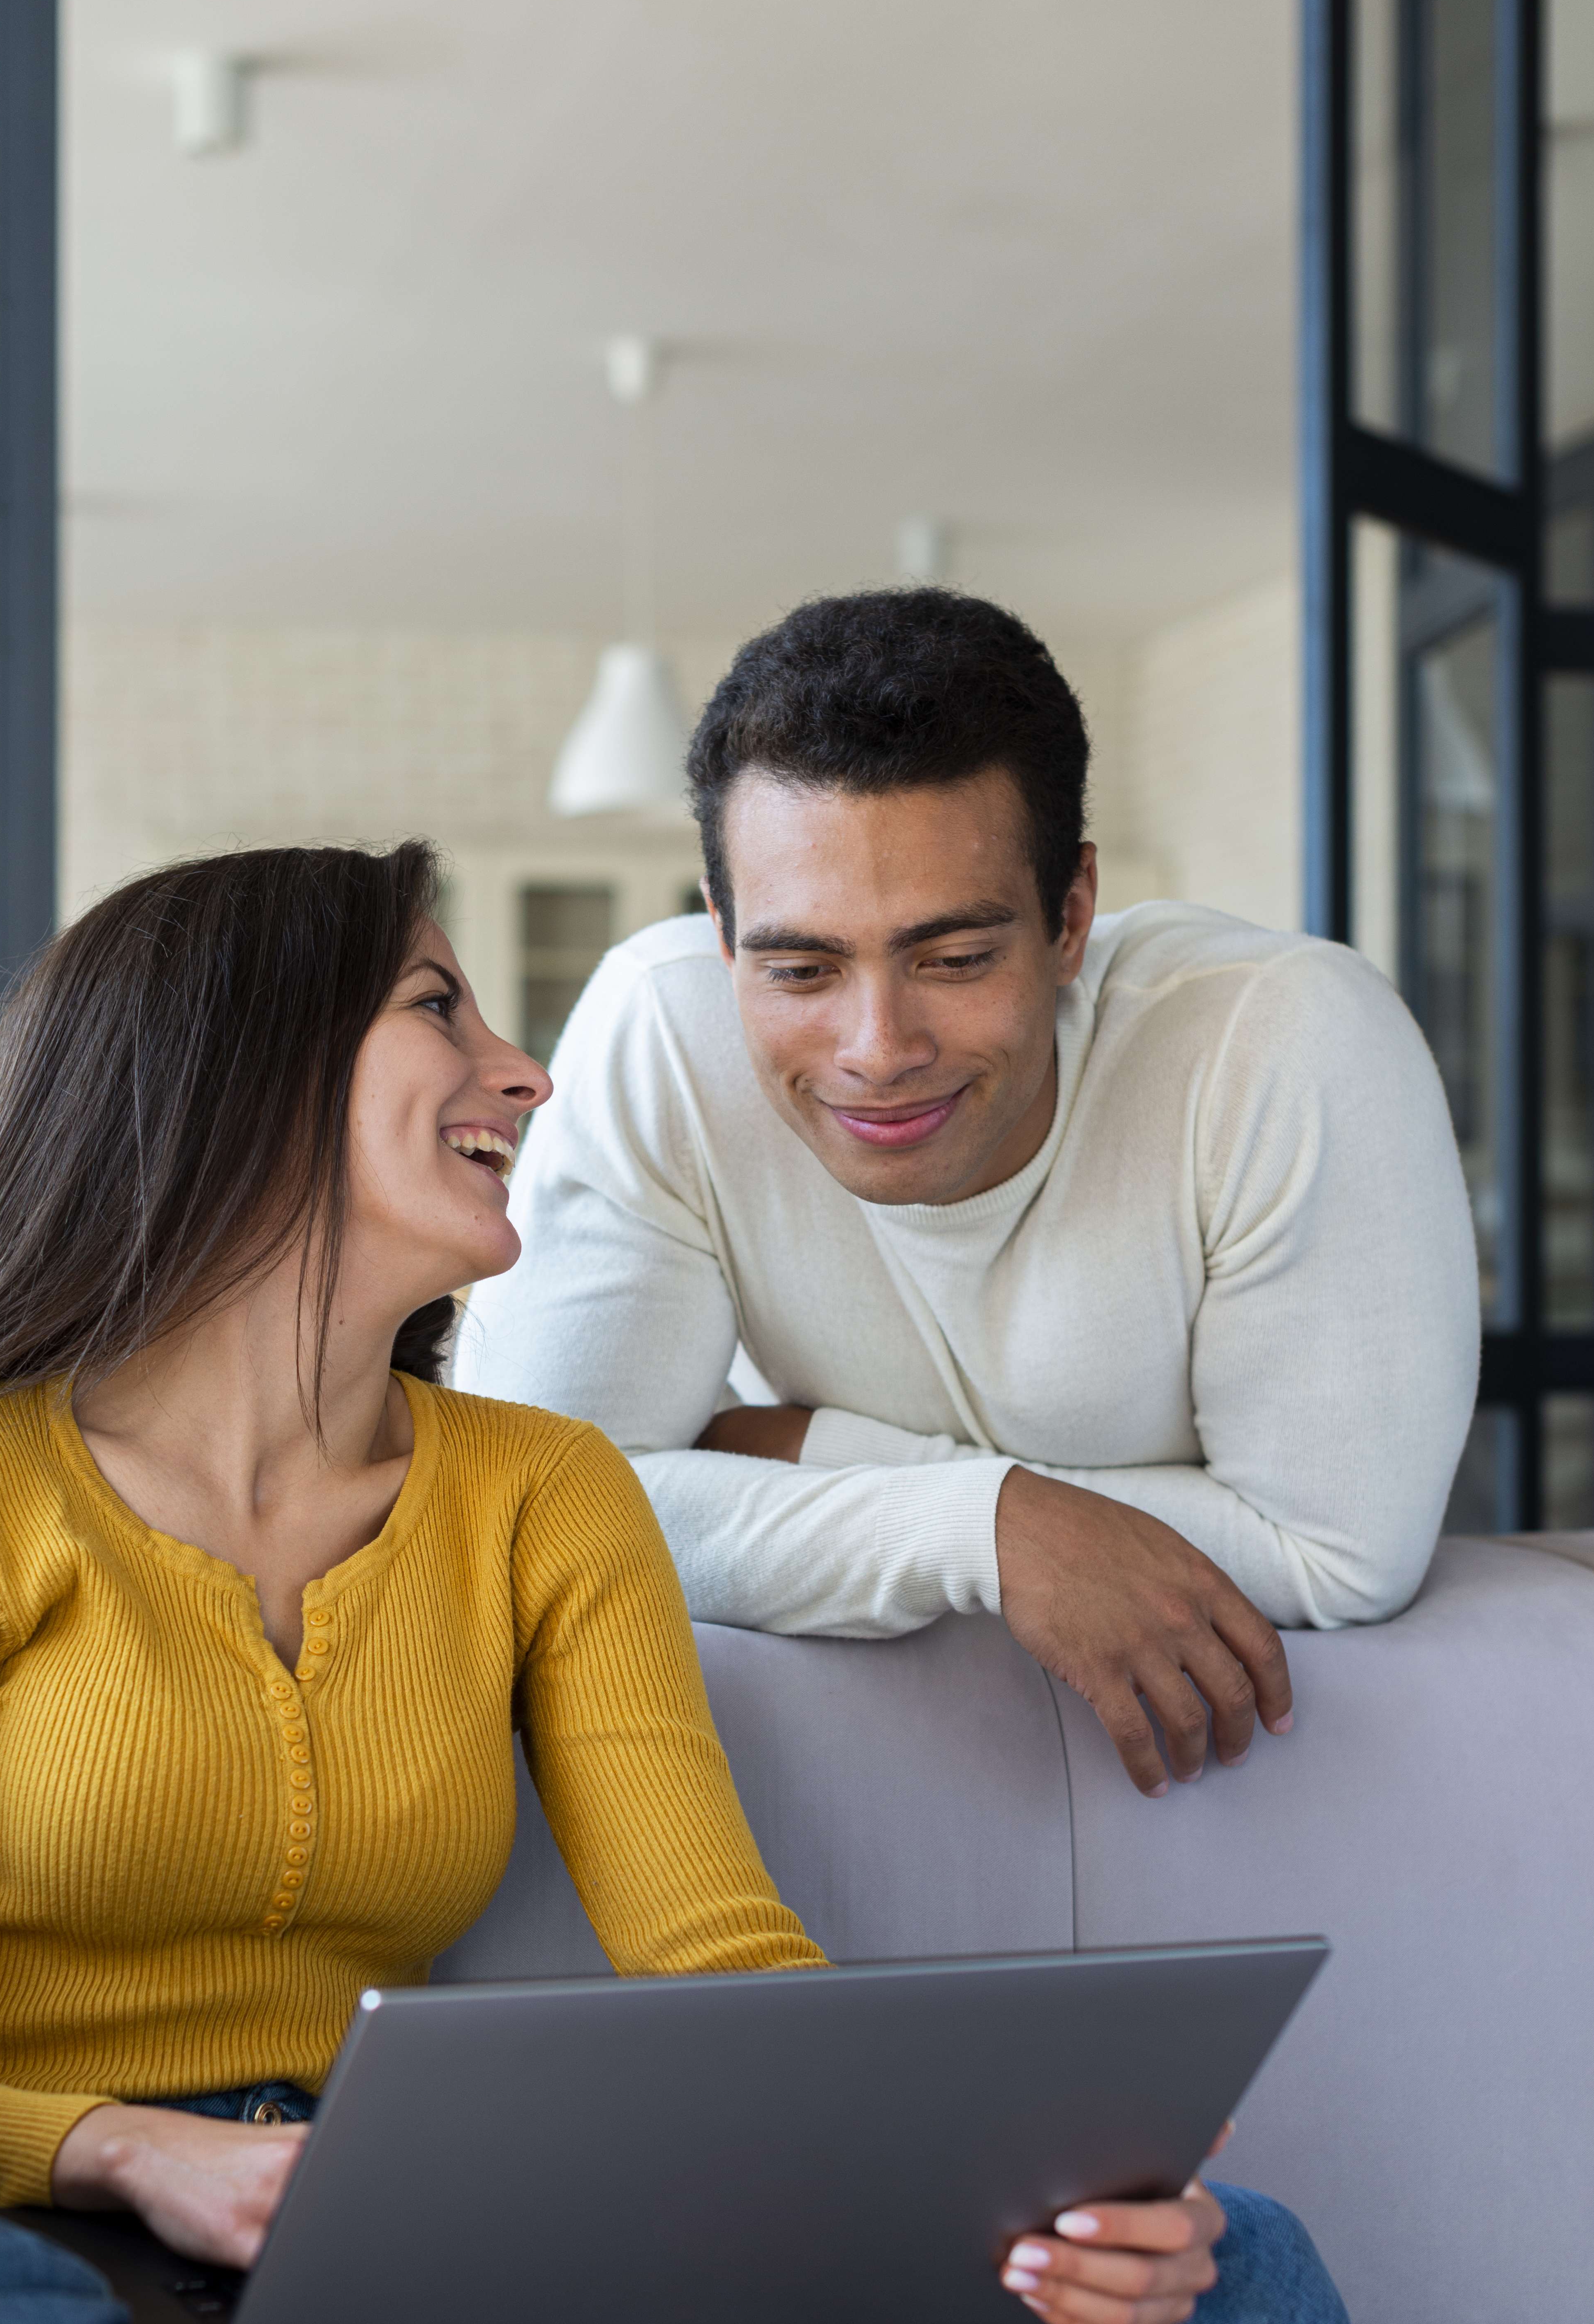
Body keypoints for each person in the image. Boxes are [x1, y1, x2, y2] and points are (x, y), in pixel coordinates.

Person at [0, 843, 1350, 2324]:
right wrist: (144, 2157)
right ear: (232, 1062)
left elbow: (718, 1953)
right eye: (439, 1008)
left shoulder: (545, 1494)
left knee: (1239, 2292)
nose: (524, 1074)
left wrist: (979, 2194)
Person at [456, 590, 1481, 1797]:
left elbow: (1334, 1556)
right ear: (723, 940)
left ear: (1072, 917)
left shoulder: (1283, 1043)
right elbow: (536, 1517)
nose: (877, 1048)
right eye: (799, 968)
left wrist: (819, 1452)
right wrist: (983, 1528)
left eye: (953, 959)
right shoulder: (661, 1032)